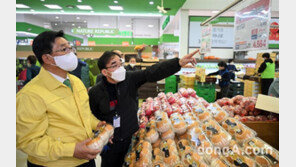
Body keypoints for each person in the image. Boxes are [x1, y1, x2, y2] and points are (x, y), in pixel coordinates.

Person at [88, 49, 200, 167]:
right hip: (110, 144)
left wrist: (178, 63)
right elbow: (91, 117)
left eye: (120, 63)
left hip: (131, 138)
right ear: (105, 72)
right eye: (114, 65)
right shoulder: (95, 92)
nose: (120, 68)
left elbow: (151, 72)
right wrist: (101, 134)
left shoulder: (129, 79)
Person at [16, 30, 108, 167]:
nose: (71, 53)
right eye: (64, 49)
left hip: (85, 159)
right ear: (47, 58)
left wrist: (96, 124)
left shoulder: (75, 82)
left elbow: (84, 114)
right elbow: (27, 141)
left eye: (70, 48)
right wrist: (72, 150)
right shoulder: (30, 95)